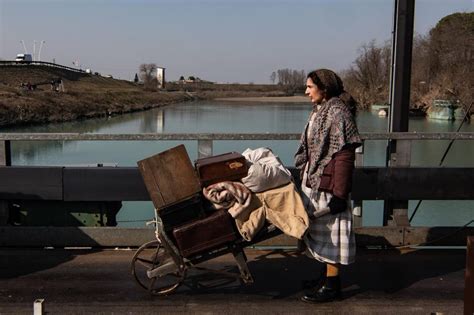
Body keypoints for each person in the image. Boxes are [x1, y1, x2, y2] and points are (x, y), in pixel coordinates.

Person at [294, 68, 361, 303]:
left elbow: (344, 155)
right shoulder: (321, 110)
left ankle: (333, 286)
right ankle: (324, 277)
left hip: (330, 185)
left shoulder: (338, 113)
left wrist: (340, 194)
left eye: (310, 87)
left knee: (331, 236)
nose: (306, 91)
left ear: (324, 88)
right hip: (315, 180)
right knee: (318, 234)